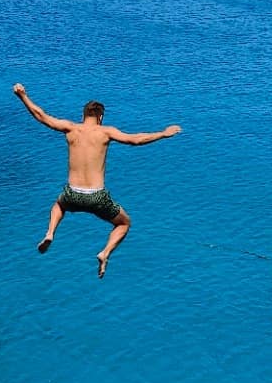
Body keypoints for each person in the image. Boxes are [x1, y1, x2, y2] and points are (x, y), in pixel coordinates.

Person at [12, 83, 181, 277]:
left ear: (83, 115)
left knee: (59, 205)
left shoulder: (70, 128)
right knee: (124, 223)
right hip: (97, 196)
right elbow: (136, 139)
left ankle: (50, 232)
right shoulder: (105, 132)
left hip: (72, 193)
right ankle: (105, 253)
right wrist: (163, 133)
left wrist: (23, 96)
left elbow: (40, 115)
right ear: (100, 117)